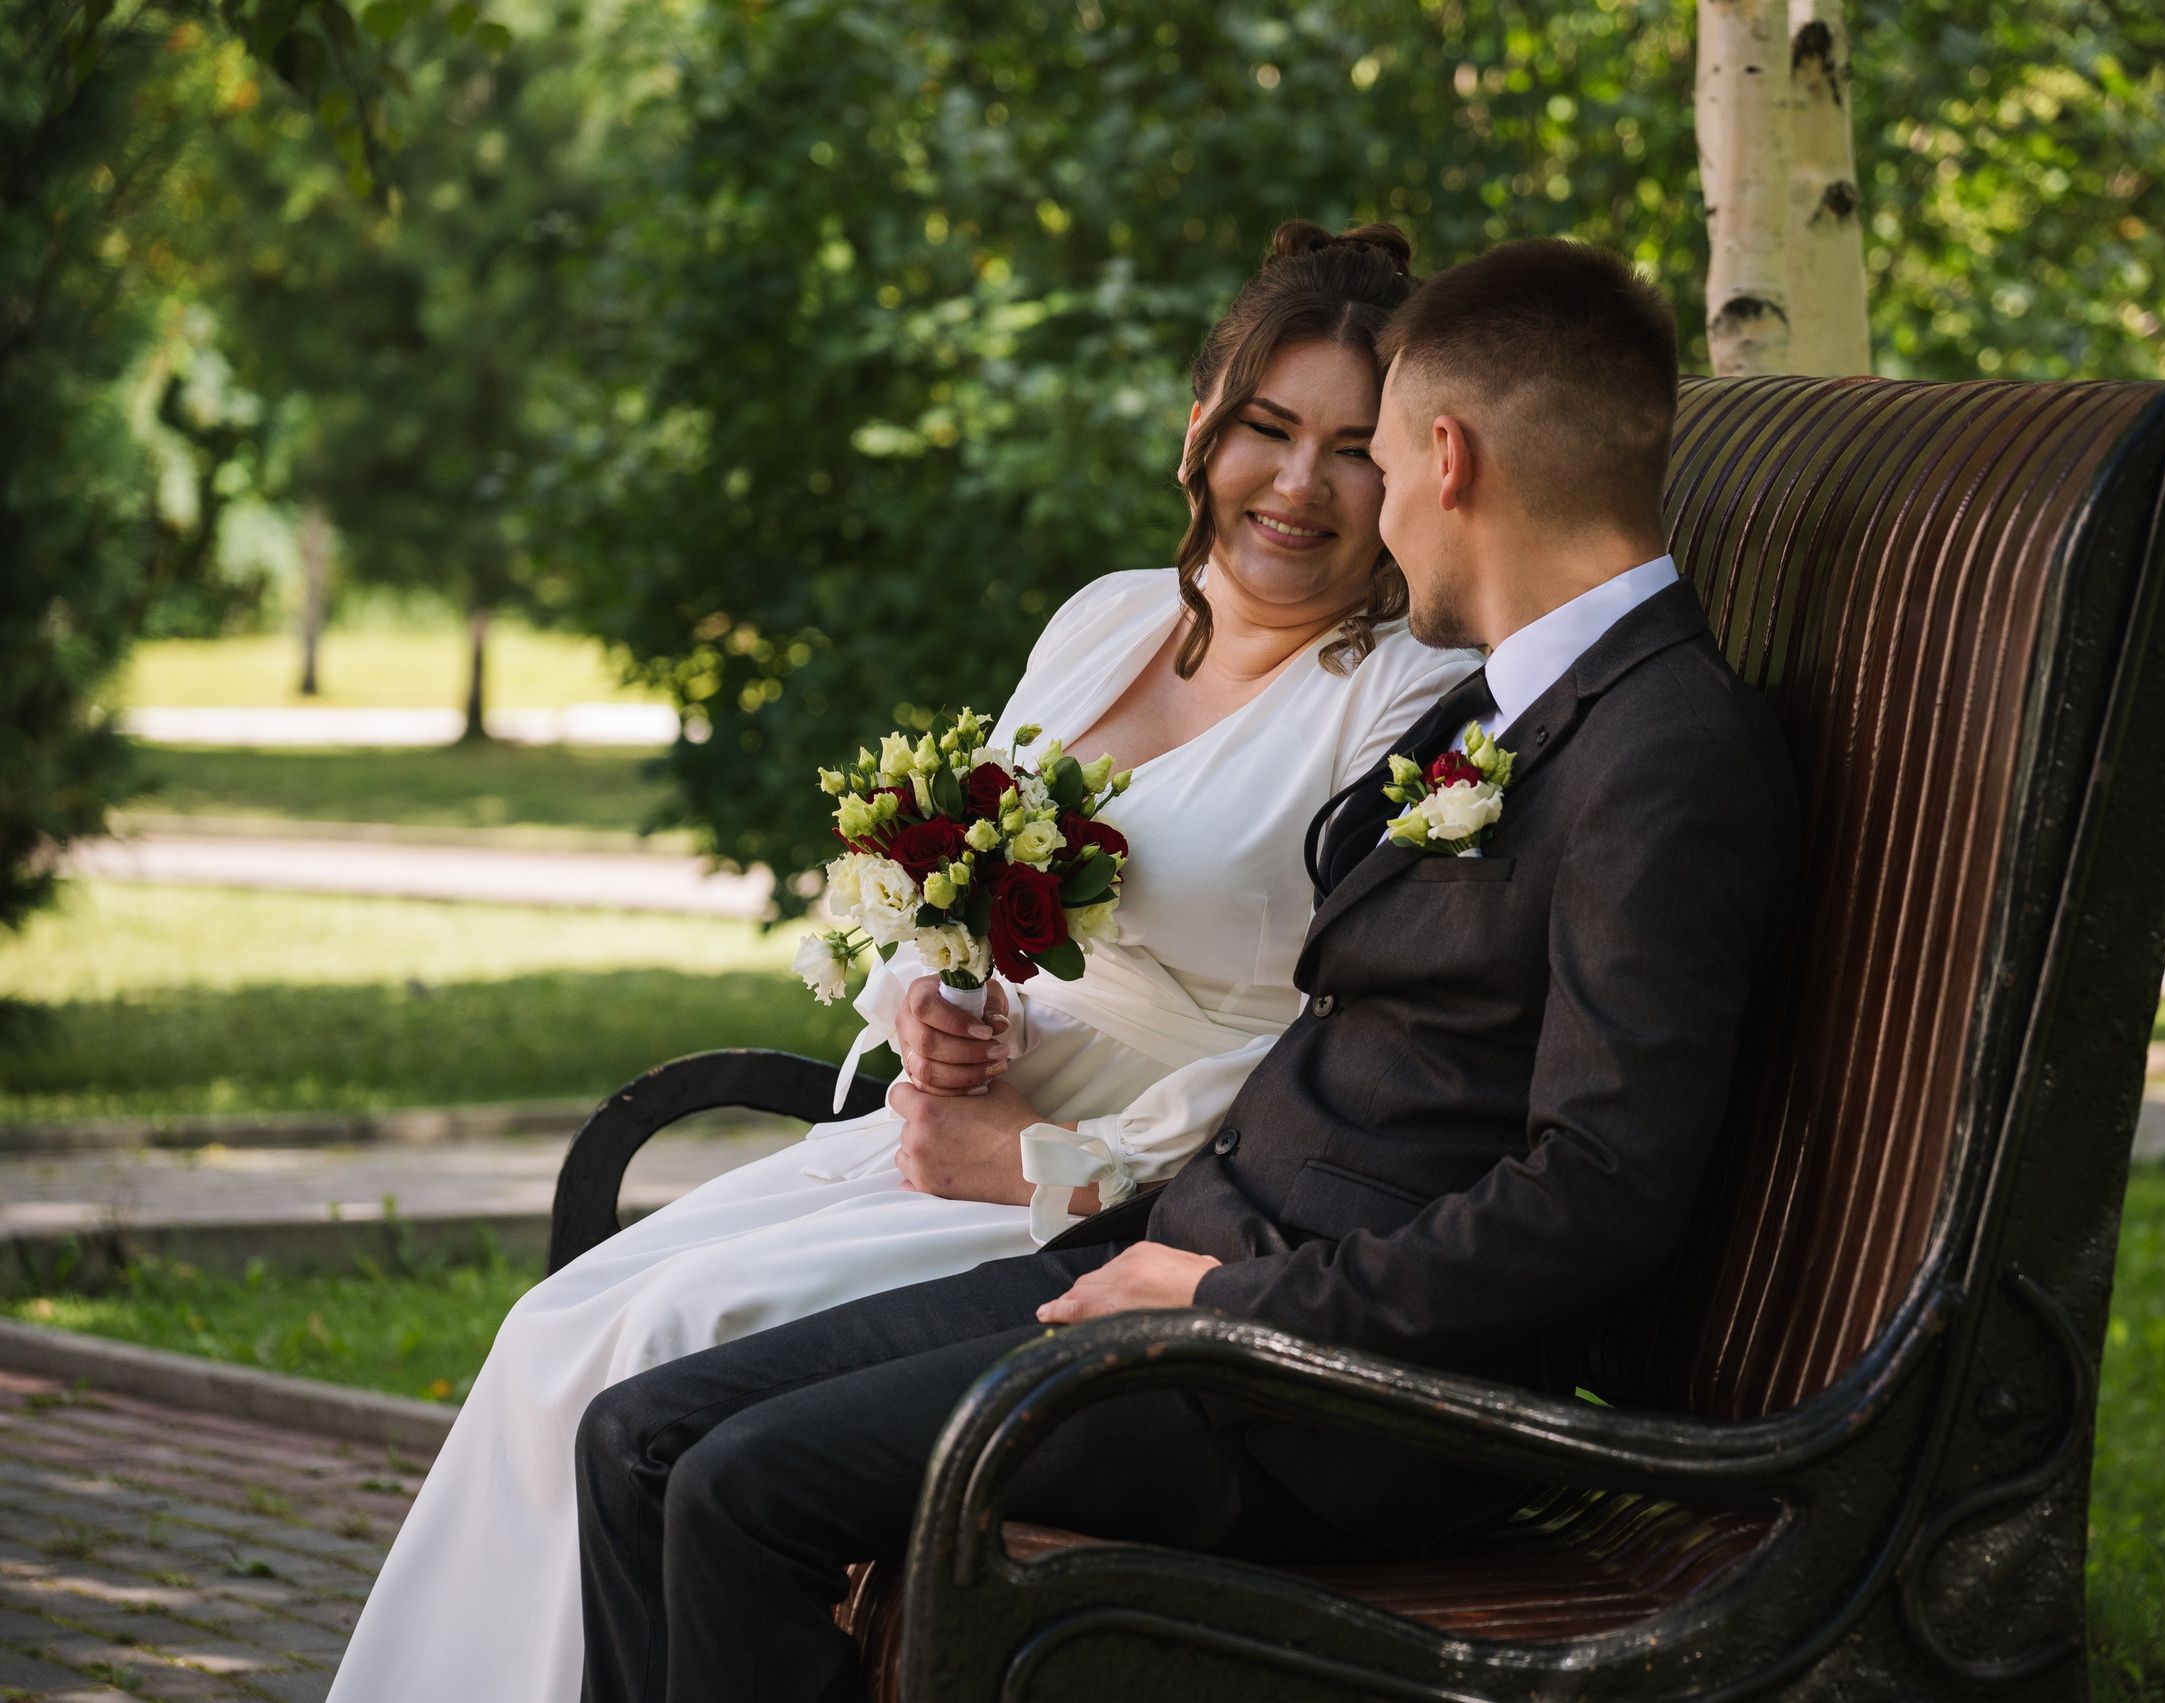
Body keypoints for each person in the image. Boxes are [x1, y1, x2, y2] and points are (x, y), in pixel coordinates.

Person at [570, 237, 1802, 1703]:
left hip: (1329, 1397)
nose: (1374, 510)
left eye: (1382, 459)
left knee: (736, 1491)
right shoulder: (1544, 699)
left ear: (1449, 458)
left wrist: (1230, 1305)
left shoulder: (1663, 751)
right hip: (1192, 1264)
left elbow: (1599, 1192)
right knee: (639, 1437)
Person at [325, 220, 1478, 1703]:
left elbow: (1339, 1051)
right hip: (934, 1137)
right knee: (566, 1324)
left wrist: (1052, 1160)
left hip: (1121, 1190)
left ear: (1408, 472)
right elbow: (951, 892)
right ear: (1202, 422)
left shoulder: (1401, 705)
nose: (1299, 485)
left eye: (1350, 448)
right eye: (1267, 427)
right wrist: (935, 1004)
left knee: (671, 1336)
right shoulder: (1111, 620)